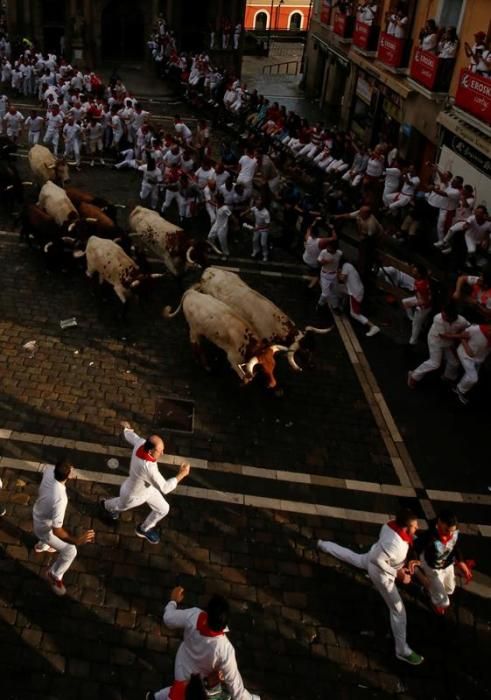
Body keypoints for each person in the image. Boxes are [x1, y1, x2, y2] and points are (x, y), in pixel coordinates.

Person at [318, 508, 424, 665]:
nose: (417, 529)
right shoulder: (395, 544)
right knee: (398, 611)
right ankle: (401, 650)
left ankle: (324, 545)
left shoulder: (390, 525)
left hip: (375, 554)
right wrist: (398, 574)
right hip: (381, 574)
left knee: (352, 557)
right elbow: (377, 560)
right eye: (414, 526)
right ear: (405, 527)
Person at [147, 587, 260, 700]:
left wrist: (173, 601)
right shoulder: (225, 650)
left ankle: (154, 697)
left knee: (177, 690)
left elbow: (168, 618)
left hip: (181, 669)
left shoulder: (194, 616)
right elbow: (236, 688)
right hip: (201, 683)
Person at [100, 421, 190, 544]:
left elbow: (133, 438)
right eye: (160, 451)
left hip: (149, 489)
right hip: (133, 495)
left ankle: (144, 529)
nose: (162, 453)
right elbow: (165, 488)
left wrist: (127, 429)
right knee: (120, 505)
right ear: (150, 451)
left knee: (164, 508)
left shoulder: (142, 444)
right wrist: (182, 474)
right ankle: (106, 505)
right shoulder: (148, 468)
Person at [32, 459, 95, 596]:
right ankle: (54, 575)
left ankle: (41, 545)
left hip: (38, 512)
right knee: (70, 551)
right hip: (45, 527)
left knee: (46, 534)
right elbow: (57, 530)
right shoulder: (60, 498)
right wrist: (77, 540)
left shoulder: (49, 470)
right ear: (68, 475)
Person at [413, 510, 473, 615]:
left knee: (450, 589)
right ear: (439, 522)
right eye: (446, 530)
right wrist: (416, 560)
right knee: (444, 601)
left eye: (452, 531)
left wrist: (461, 563)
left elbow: (455, 547)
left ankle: (434, 591)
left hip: (447, 564)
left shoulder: (453, 533)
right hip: (432, 567)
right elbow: (416, 546)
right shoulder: (430, 536)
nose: (449, 535)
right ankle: (435, 602)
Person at [408, 302, 469, 388]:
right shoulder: (438, 318)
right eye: (442, 313)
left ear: (453, 316)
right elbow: (443, 335)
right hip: (435, 341)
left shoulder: (462, 321)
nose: (442, 315)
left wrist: (464, 334)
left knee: (454, 362)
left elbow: (466, 329)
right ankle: (414, 375)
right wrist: (460, 336)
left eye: (445, 315)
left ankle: (447, 377)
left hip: (449, 342)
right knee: (435, 363)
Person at [447, 323, 491, 405]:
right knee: (473, 378)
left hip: (478, 359)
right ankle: (459, 390)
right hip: (465, 355)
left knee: (472, 375)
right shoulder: (476, 329)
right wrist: (465, 345)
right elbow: (461, 335)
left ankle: (460, 385)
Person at [337, 258, 380, 336]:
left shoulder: (345, 267)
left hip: (355, 292)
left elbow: (341, 278)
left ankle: (373, 326)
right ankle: (341, 305)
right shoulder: (348, 265)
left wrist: (336, 273)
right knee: (338, 288)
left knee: (354, 313)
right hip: (357, 289)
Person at [402, 264, 432, 345]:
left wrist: (413, 304)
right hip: (421, 299)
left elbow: (424, 301)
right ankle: (411, 318)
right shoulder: (423, 278)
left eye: (415, 271)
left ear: (419, 274)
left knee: (416, 325)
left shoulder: (420, 285)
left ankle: (412, 342)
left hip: (424, 306)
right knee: (404, 302)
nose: (412, 272)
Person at [208, 192, 231, 259]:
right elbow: (215, 205)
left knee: (222, 241)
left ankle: (225, 254)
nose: (214, 199)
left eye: (215, 199)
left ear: (219, 200)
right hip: (217, 224)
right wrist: (209, 202)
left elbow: (231, 216)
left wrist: (236, 224)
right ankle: (214, 248)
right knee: (210, 237)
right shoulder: (217, 205)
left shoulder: (225, 208)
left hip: (223, 227)